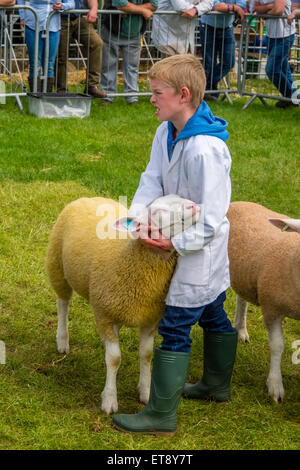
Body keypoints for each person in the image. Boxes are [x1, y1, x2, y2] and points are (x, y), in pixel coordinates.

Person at [112, 54, 238, 436]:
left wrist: (173, 242)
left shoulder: (205, 149)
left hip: (199, 250)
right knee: (213, 311)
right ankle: (216, 385)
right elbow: (151, 178)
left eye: (157, 93)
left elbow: (213, 218)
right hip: (171, 238)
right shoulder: (166, 131)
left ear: (183, 95)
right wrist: (138, 219)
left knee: (177, 324)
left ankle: (160, 415)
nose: (151, 98)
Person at [100, 0, 157, 105]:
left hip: (135, 32)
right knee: (108, 64)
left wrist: (130, 8)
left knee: (132, 67)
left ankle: (132, 97)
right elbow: (120, 4)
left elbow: (154, 5)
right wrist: (143, 10)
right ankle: (107, 96)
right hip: (111, 29)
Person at [18, 0, 74, 92]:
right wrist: (22, 16)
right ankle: (35, 96)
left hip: (54, 27)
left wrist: (62, 6)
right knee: (35, 63)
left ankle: (47, 97)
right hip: (32, 25)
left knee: (50, 64)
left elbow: (72, 3)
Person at [57, 0, 106, 98]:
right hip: (59, 18)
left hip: (78, 18)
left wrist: (93, 9)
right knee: (61, 55)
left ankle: (92, 86)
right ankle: (61, 92)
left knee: (96, 43)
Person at [200, 0, 246, 101]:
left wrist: (233, 7)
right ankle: (210, 93)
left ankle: (206, 88)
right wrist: (235, 8)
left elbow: (242, 6)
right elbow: (216, 6)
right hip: (208, 27)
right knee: (209, 63)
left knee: (229, 62)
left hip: (227, 28)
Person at [255, 0, 297, 108]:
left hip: (285, 35)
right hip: (270, 36)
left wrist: (264, 11)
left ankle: (292, 97)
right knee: (284, 69)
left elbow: (278, 10)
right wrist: (270, 6)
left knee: (271, 69)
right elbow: (256, 9)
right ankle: (290, 99)